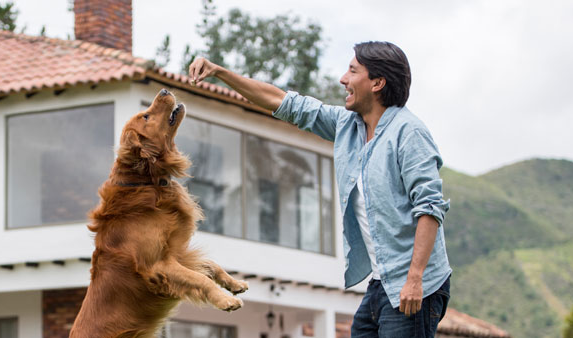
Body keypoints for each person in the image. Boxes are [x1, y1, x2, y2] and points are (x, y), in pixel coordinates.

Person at [189, 41, 451, 337]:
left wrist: (415, 278)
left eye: (352, 71)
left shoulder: (409, 133)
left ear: (377, 83)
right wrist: (221, 72)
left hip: (415, 281)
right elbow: (283, 101)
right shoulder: (349, 126)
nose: (343, 79)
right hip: (382, 282)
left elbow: (429, 208)